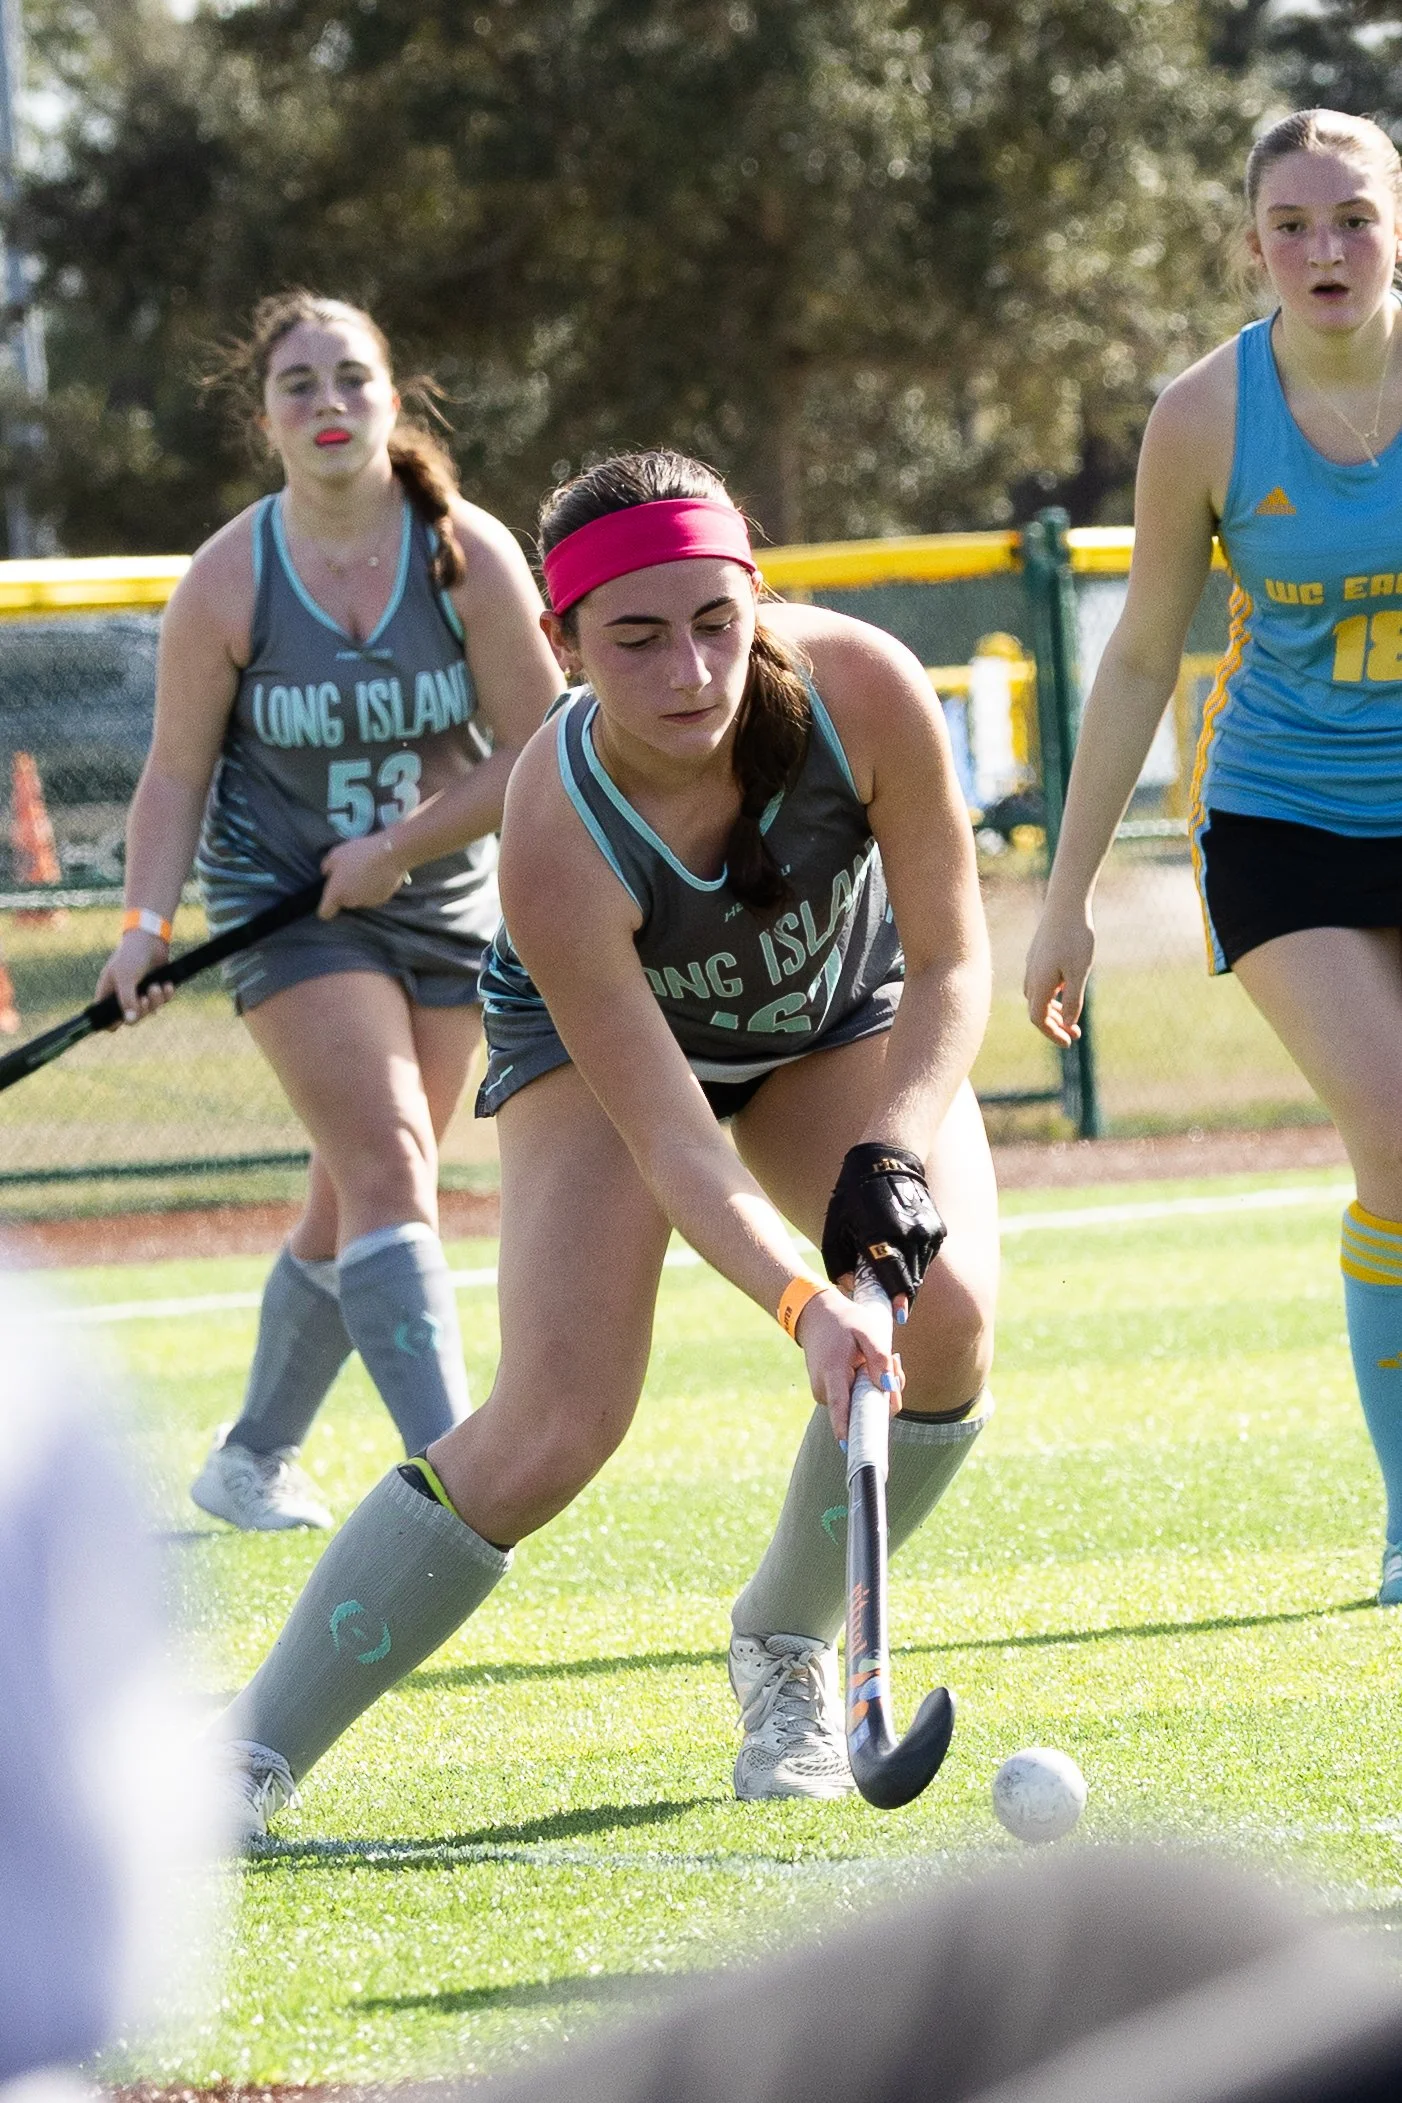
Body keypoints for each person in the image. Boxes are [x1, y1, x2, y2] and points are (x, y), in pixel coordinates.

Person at [215, 446, 998, 1835]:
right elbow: (676, 1143)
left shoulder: (864, 691)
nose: (690, 671)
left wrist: (895, 1142)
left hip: (837, 1024)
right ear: (561, 643)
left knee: (940, 1323)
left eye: (716, 621)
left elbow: (947, 960)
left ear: (756, 595)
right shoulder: (552, 830)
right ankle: (244, 1754)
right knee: (558, 1420)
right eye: (635, 639)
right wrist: (806, 1302)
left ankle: (786, 1647)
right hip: (605, 1062)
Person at [96, 292, 560, 1532]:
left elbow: (544, 747)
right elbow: (177, 773)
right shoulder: (229, 578)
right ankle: (455, 1485)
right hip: (285, 908)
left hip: (446, 898)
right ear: (267, 420)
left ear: (393, 402)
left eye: (351, 379)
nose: (329, 404)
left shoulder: (469, 553)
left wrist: (403, 846)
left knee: (348, 1191)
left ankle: (251, 1455)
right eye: (299, 385)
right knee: (392, 1161)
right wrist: (143, 928)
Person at [1024, 109, 1402, 1606]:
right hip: (1283, 818)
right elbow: (1131, 665)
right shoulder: (1202, 415)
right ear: (1251, 244)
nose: (1325, 248)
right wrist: (1062, 900)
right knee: (1392, 1130)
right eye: (1293, 223)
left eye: (1353, 217)